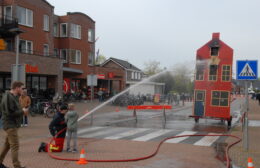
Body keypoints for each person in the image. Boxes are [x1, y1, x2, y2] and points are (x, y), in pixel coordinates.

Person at [0, 81, 26, 168]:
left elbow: (13, 110)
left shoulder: (14, 97)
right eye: (22, 88)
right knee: (15, 145)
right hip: (10, 125)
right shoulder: (8, 97)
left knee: (7, 145)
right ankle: (17, 166)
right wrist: (22, 111)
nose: (23, 90)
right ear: (17, 88)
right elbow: (10, 113)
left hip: (12, 125)